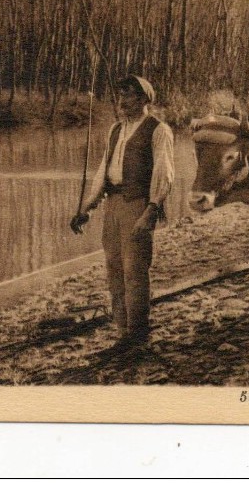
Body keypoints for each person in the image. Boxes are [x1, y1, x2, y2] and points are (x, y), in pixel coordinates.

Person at [71, 75, 174, 354]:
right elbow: (104, 172)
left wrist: (151, 211)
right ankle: (122, 333)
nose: (121, 100)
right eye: (120, 94)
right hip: (113, 206)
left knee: (135, 271)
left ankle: (138, 335)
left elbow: (164, 174)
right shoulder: (115, 130)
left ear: (144, 100)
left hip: (137, 204)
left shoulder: (158, 130)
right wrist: (87, 209)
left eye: (128, 95)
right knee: (114, 269)